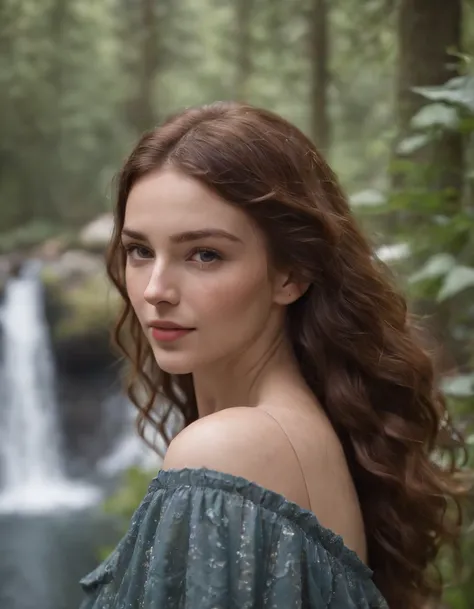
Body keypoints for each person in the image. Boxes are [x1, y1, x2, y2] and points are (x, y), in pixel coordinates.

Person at [79, 101, 465, 609]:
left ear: (291, 274)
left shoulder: (226, 452)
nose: (155, 289)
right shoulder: (307, 428)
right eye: (140, 250)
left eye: (205, 254)